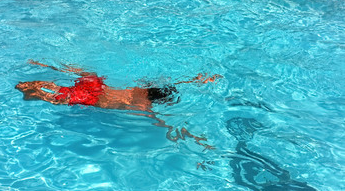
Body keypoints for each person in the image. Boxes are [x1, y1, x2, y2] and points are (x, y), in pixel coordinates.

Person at [16, 60, 223, 148]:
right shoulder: (143, 107)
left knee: (85, 73)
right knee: (61, 97)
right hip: (94, 99)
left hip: (99, 86)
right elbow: (167, 127)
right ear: (158, 101)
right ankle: (32, 93)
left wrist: (196, 80)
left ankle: (44, 65)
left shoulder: (140, 88)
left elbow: (170, 84)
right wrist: (194, 139)